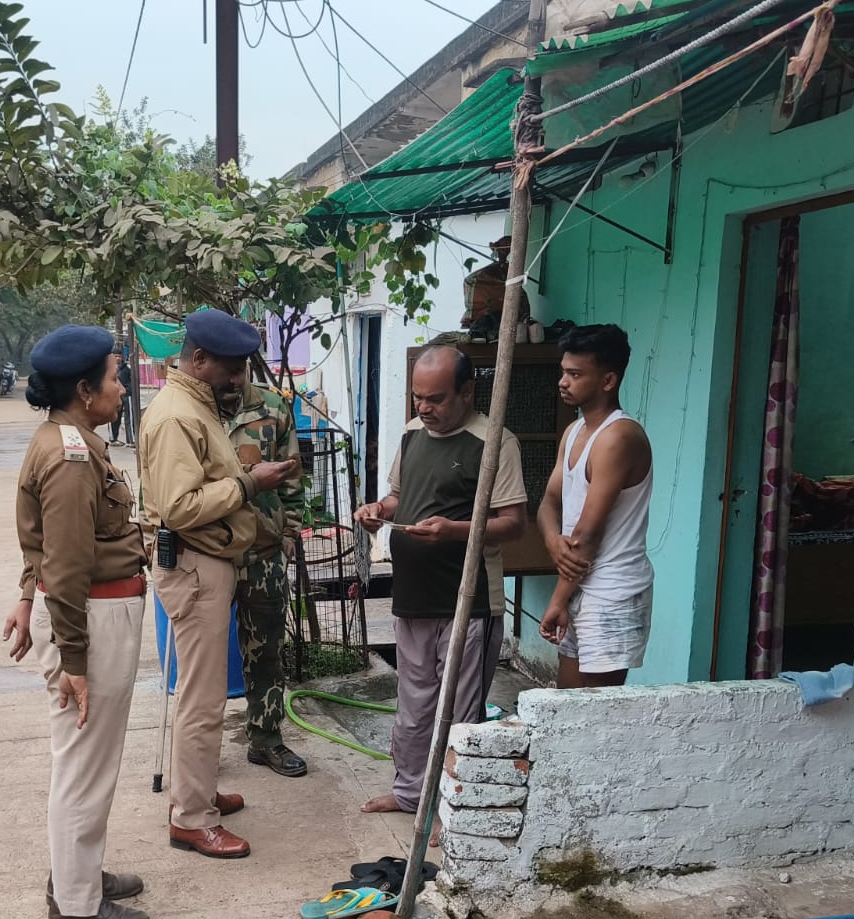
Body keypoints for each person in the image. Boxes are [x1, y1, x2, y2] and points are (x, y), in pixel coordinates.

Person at [1, 324, 150, 919]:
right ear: (85, 391)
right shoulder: (70, 456)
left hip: (88, 615)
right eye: (115, 377)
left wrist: (25, 595)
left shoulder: (68, 440)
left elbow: (42, 546)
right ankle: (76, 903)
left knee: (85, 761)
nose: (123, 387)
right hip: (90, 619)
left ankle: (76, 875)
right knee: (85, 764)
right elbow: (63, 564)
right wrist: (75, 661)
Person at [140, 309, 298, 859]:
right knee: (203, 700)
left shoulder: (195, 405)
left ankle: (197, 791)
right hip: (195, 562)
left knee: (201, 695)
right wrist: (250, 484)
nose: (238, 378)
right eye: (230, 367)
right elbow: (179, 507)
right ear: (199, 359)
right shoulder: (176, 416)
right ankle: (191, 818)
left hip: (209, 561)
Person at [351, 345, 528, 815]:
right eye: (418, 397)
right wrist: (377, 510)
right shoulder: (412, 434)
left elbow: (514, 524)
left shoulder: (494, 442)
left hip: (467, 602)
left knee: (458, 712)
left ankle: (453, 808)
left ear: (467, 392)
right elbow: (398, 497)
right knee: (413, 707)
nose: (424, 408)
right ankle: (410, 794)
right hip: (412, 597)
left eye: (435, 398)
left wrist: (454, 531)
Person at [536, 324, 654, 688]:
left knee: (596, 710)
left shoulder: (619, 437)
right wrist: (553, 541)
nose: (563, 382)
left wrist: (557, 601)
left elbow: (587, 534)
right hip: (579, 585)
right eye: (563, 372)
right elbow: (548, 504)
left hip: (613, 591)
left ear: (608, 380)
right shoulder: (574, 432)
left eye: (575, 374)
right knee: (568, 703)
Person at [221, 366, 309, 778]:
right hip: (212, 553)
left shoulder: (272, 407)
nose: (231, 379)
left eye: (237, 368)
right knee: (203, 660)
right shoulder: (191, 412)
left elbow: (293, 477)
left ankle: (266, 738)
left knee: (267, 651)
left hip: (265, 552)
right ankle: (198, 753)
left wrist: (289, 532)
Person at [110, 354, 135, 445]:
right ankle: (113, 438)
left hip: (127, 395)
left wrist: (128, 390)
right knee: (114, 417)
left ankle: (131, 439)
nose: (118, 358)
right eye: (116, 356)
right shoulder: (109, 369)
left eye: (119, 356)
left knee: (129, 417)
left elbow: (132, 381)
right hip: (115, 395)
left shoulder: (126, 369)